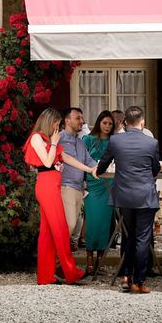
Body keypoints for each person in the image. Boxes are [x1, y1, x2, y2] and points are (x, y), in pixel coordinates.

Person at [96, 106, 161, 293]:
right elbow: (155, 169)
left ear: (125, 122)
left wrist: (97, 171)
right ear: (142, 122)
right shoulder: (151, 142)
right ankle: (139, 281)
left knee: (128, 235)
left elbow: (103, 163)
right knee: (142, 238)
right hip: (144, 196)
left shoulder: (116, 140)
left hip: (124, 196)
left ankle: (125, 276)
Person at [23, 108, 87, 285]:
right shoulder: (37, 138)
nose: (57, 128)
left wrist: (89, 169)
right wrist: (53, 143)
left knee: (48, 234)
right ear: (48, 122)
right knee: (60, 230)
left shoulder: (48, 140)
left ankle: (45, 276)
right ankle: (70, 272)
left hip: (52, 187)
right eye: (56, 124)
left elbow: (64, 157)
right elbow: (47, 161)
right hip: (46, 187)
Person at [58, 108, 98, 252]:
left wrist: (104, 167)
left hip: (78, 189)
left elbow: (90, 161)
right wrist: (91, 169)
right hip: (65, 187)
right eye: (78, 118)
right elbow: (66, 159)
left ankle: (61, 261)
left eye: (82, 118)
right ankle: (57, 262)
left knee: (73, 227)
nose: (82, 121)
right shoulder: (59, 138)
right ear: (67, 120)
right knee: (69, 225)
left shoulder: (80, 143)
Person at [82, 110, 115, 273]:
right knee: (92, 223)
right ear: (98, 123)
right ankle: (89, 259)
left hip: (109, 183)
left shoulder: (114, 141)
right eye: (104, 123)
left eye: (110, 124)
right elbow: (81, 160)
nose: (107, 126)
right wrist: (82, 181)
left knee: (104, 223)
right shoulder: (87, 139)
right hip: (92, 183)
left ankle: (100, 260)